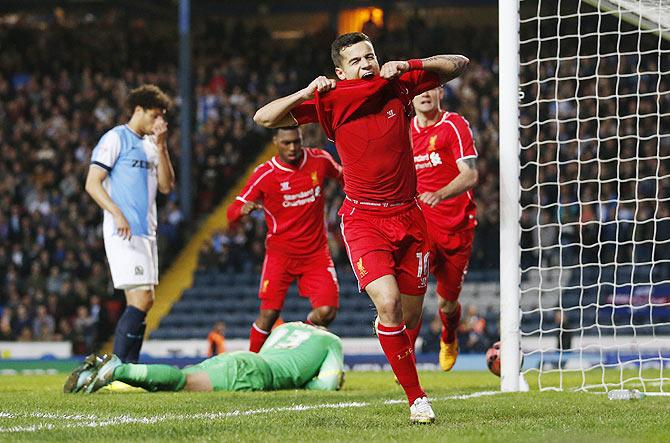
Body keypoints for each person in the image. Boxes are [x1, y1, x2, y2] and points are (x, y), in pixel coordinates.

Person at [253, 31, 468, 424]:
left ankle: (393, 335)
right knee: (388, 305)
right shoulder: (330, 100)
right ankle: (417, 398)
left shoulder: (398, 85)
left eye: (370, 56)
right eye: (356, 61)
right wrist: (305, 91)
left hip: (410, 216)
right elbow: (263, 117)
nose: (367, 64)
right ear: (340, 71)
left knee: (409, 314)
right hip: (365, 219)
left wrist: (411, 64)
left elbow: (459, 64)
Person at [227, 127, 343, 352]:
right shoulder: (265, 174)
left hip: (316, 254)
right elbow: (231, 212)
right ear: (275, 142)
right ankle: (253, 363)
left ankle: (299, 337)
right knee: (268, 315)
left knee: (327, 312)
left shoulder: (319, 160)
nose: (292, 148)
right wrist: (242, 211)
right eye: (286, 143)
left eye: (296, 142)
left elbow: (343, 176)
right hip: (280, 256)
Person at [85, 85, 175, 363]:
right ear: (138, 110)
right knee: (142, 300)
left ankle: (128, 368)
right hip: (123, 231)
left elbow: (166, 185)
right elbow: (92, 183)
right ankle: (118, 366)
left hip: (147, 232)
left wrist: (161, 147)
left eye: (162, 116)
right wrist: (116, 212)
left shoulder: (151, 146)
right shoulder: (115, 139)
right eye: (154, 115)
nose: (159, 121)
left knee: (144, 301)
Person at [64, 322, 344, 394]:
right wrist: (307, 383)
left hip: (241, 360)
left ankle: (106, 378)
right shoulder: (331, 341)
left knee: (174, 383)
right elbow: (327, 386)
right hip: (252, 374)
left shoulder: (287, 327)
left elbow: (263, 352)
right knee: (181, 382)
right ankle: (119, 370)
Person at [411, 87, 479, 371]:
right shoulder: (404, 131)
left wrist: (439, 194)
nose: (425, 94)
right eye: (419, 89)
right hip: (418, 226)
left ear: (440, 92)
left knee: (447, 302)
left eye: (431, 88)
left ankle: (449, 335)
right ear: (410, 96)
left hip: (455, 227)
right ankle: (404, 356)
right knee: (410, 295)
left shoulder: (453, 124)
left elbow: (471, 174)